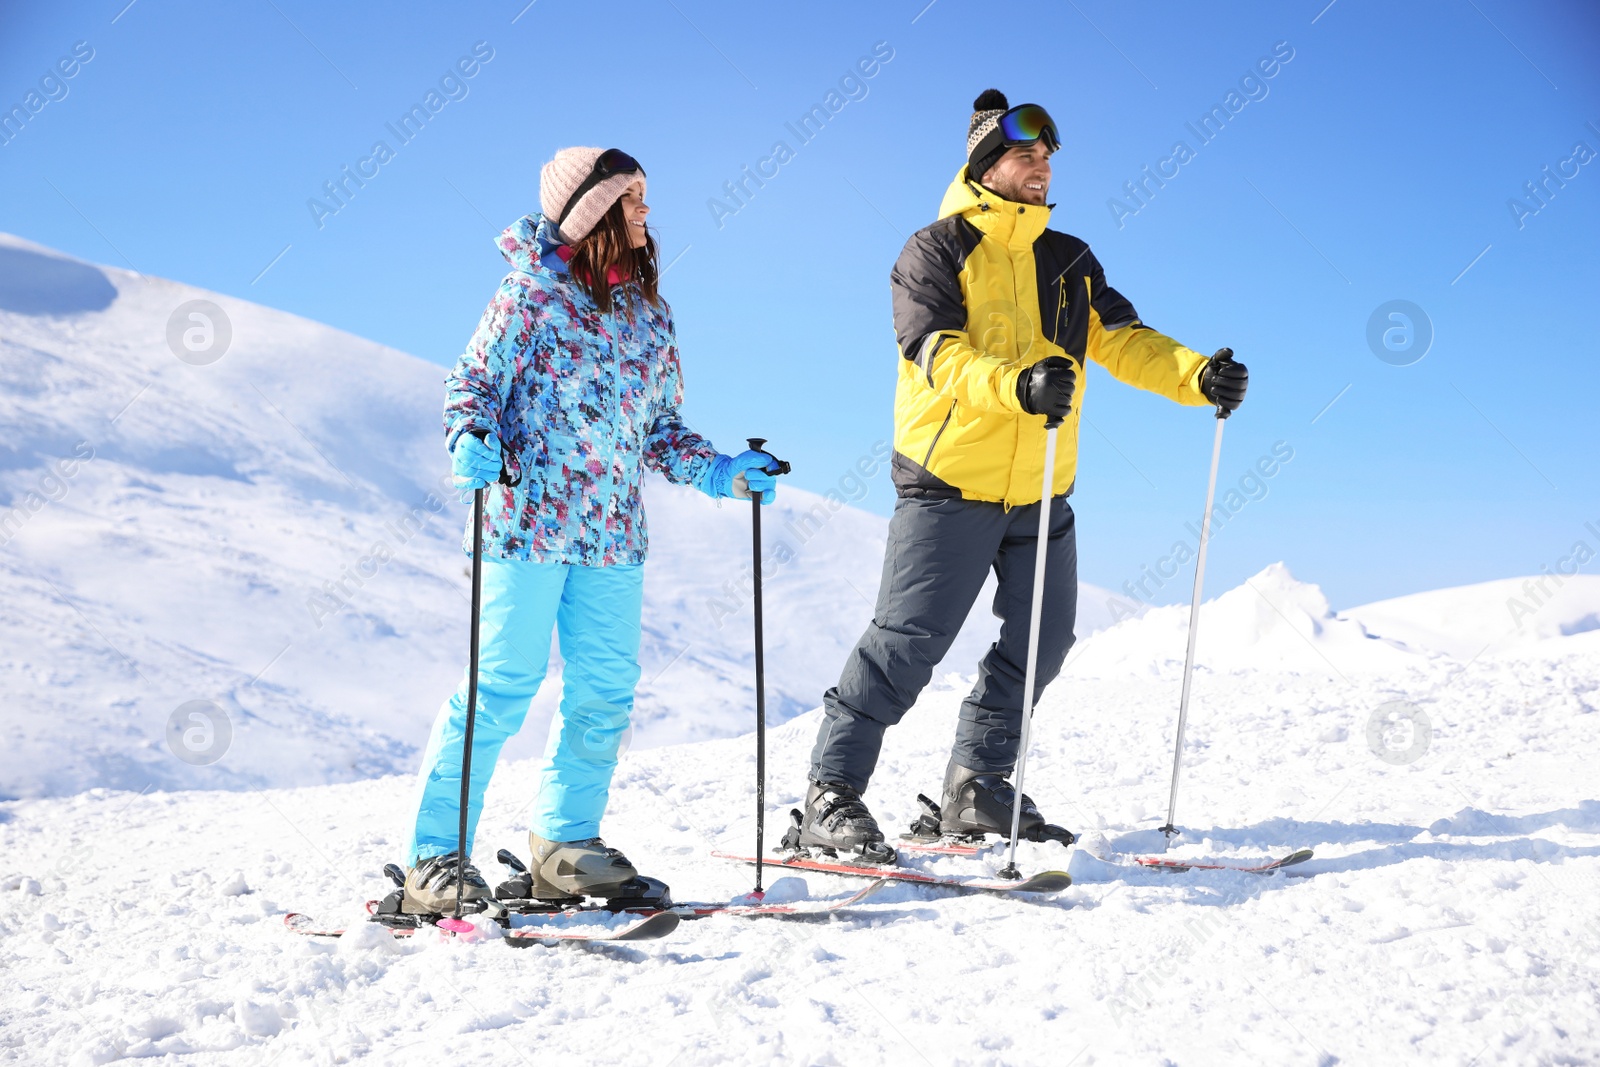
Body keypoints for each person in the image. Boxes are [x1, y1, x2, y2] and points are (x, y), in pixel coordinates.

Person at [795, 91, 1249, 863]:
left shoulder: (1067, 258)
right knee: (907, 642)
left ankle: (978, 784)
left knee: (1045, 638)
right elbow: (933, 352)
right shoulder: (933, 250)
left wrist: (1196, 375)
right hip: (948, 480)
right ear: (985, 165)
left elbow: (1124, 339)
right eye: (1025, 155)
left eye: (1047, 157)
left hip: (1041, 483)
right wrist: (1017, 385)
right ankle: (828, 795)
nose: (1041, 168)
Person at [399, 147, 782, 911]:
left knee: (604, 692)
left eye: (645, 196)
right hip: (526, 526)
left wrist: (720, 471)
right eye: (632, 198)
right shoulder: (529, 295)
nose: (646, 211)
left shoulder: (650, 316)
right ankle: (434, 859)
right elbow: (472, 379)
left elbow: (660, 428)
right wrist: (468, 433)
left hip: (612, 537)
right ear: (592, 211)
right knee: (500, 688)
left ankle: (563, 843)